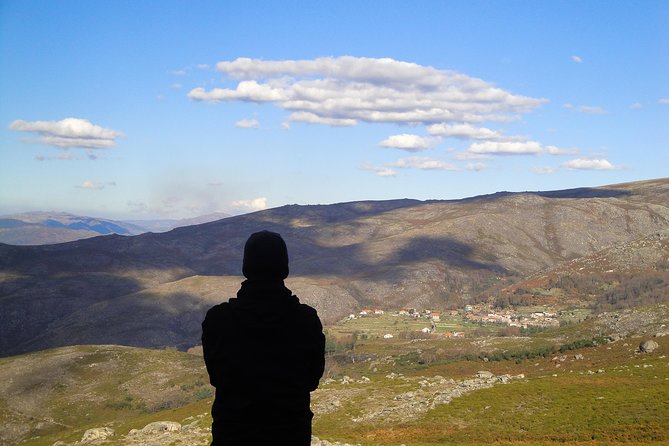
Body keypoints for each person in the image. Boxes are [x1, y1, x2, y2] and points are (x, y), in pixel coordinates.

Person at [202, 230, 325, 445]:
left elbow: (217, 377)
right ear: (284, 267)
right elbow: (312, 379)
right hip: (290, 435)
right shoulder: (306, 320)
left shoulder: (218, 320)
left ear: (246, 266)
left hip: (233, 435)